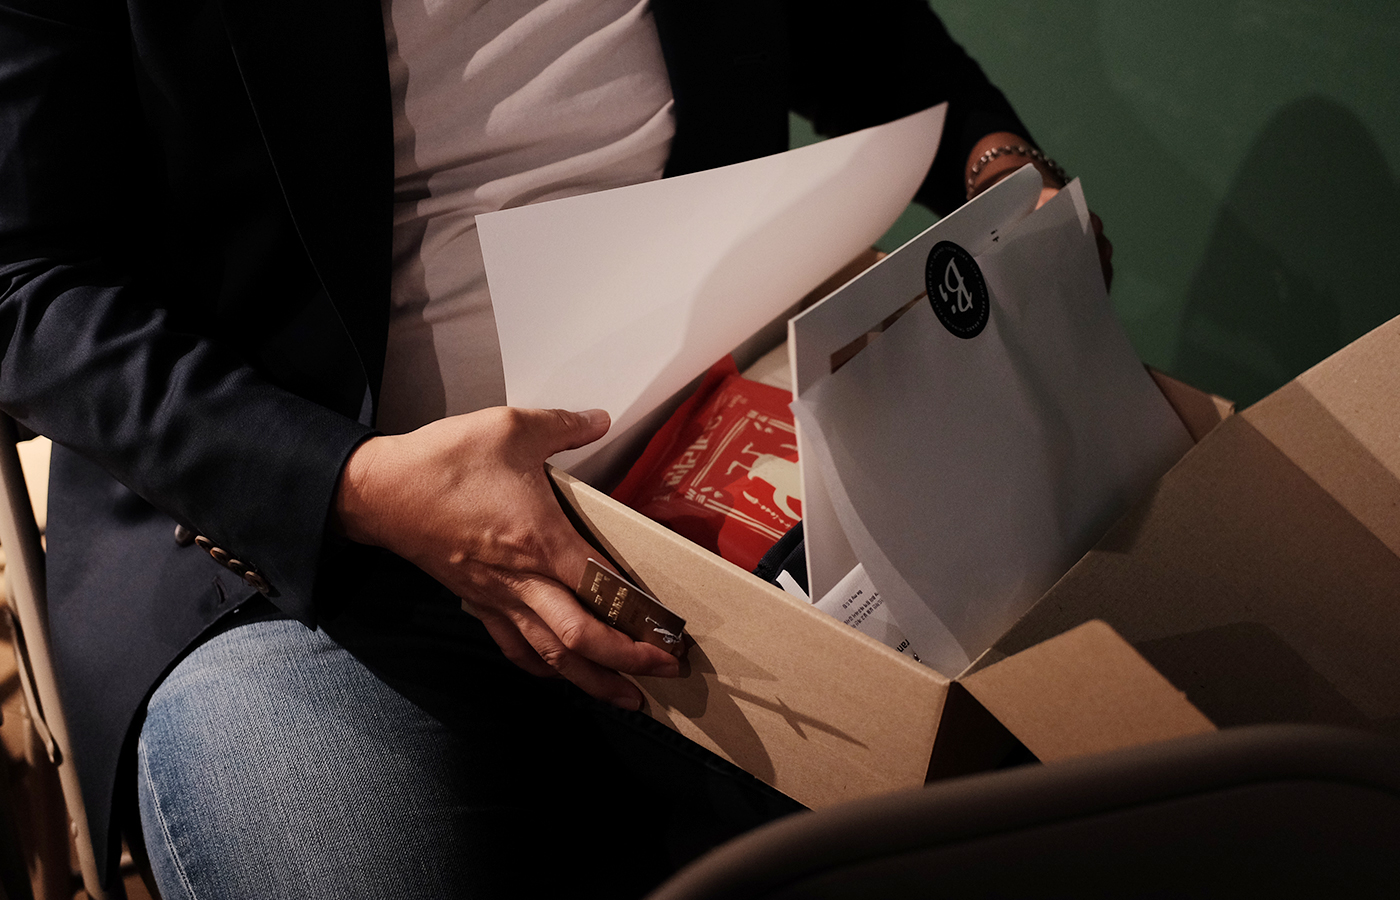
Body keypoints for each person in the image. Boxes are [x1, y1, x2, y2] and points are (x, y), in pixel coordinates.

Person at [0, 0, 1108, 896]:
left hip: (693, 491)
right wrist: (352, 484)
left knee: (1054, 816)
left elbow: (860, 36)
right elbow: (24, 286)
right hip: (298, 563)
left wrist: (997, 165)